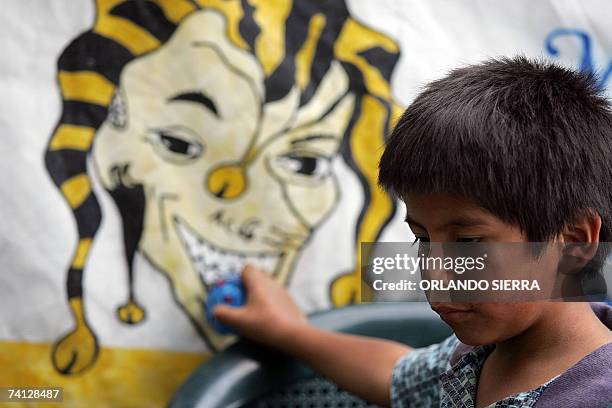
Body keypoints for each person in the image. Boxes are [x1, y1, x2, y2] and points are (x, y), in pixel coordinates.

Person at [213, 57, 612, 407]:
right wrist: (288, 330)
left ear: (574, 242)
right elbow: (395, 375)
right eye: (422, 237)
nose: (434, 276)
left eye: (468, 242)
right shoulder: (482, 356)